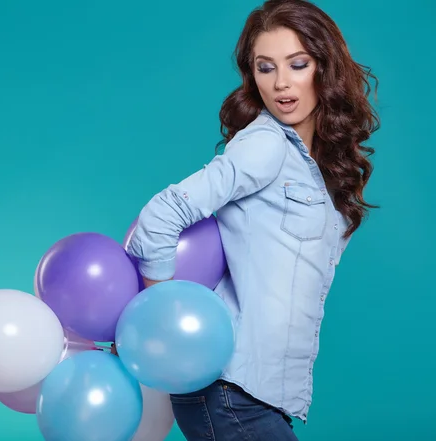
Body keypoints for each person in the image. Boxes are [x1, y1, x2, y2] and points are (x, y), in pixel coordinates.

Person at [122, 0, 380, 440]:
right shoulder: (265, 145)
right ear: (252, 75)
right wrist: (166, 316)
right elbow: (161, 215)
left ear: (325, 67)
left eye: (298, 64)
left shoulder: (320, 166)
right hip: (229, 387)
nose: (281, 83)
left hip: (262, 392)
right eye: (265, 68)